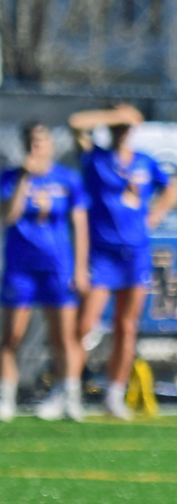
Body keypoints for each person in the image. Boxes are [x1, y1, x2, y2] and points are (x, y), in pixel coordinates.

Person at [69, 105, 177, 420]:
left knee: (127, 326)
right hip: (102, 253)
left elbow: (171, 188)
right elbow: (75, 121)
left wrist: (157, 213)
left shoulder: (144, 161)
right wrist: (116, 114)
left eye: (126, 127)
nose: (121, 131)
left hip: (135, 254)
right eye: (117, 127)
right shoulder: (96, 158)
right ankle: (69, 391)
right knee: (84, 325)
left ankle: (114, 395)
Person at [1, 123, 90, 423]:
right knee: (12, 335)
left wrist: (80, 268)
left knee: (63, 337)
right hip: (21, 268)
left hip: (57, 267)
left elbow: (80, 225)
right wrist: (24, 177)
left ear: (50, 144)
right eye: (31, 141)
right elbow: (8, 216)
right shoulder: (11, 177)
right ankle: (6, 397)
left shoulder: (68, 178)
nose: (36, 146)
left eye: (41, 140)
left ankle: (68, 397)